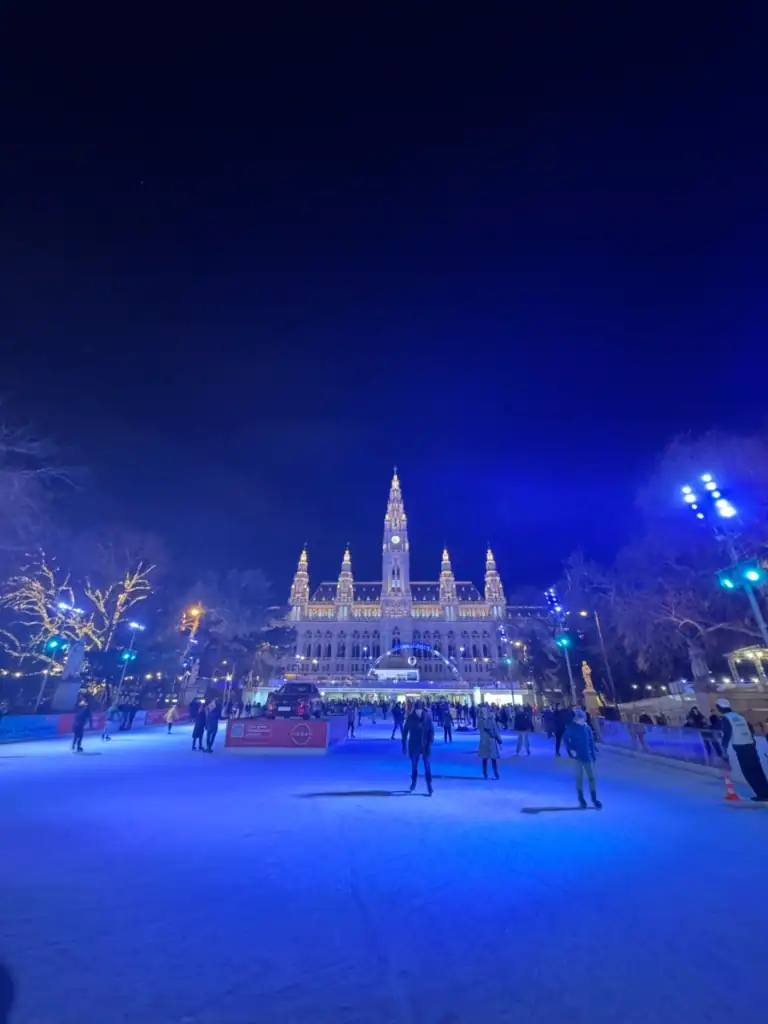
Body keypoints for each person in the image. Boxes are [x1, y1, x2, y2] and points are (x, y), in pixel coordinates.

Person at [715, 698, 768, 801]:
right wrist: (752, 741)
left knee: (749, 772)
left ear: (719, 708)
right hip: (750, 745)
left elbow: (727, 735)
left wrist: (723, 750)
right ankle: (766, 792)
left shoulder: (726, 718)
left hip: (741, 747)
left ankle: (761, 795)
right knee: (757, 770)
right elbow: (750, 729)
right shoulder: (739, 717)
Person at [564, 708, 602, 809]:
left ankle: (594, 799)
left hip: (588, 756)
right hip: (577, 758)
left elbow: (591, 742)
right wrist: (571, 749)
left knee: (592, 778)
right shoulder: (571, 727)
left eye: (583, 719)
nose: (582, 721)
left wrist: (593, 755)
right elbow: (566, 739)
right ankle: (581, 798)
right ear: (576, 719)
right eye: (580, 719)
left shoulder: (587, 728)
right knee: (579, 778)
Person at [402, 700, 434, 795]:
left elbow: (431, 732)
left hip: (425, 746)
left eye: (419, 710)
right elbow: (405, 731)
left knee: (427, 767)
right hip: (414, 745)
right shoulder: (411, 718)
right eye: (416, 710)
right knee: (414, 766)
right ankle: (413, 782)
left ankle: (429, 785)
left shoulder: (427, 718)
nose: (418, 712)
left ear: (422, 709)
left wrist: (429, 744)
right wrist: (403, 744)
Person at [477, 704, 502, 779]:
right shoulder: (480, 719)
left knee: (493, 758)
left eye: (485, 709)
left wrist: (499, 740)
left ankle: (495, 773)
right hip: (485, 741)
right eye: (482, 710)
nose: (484, 711)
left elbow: (495, 729)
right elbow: (480, 728)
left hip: (491, 740)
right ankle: (485, 773)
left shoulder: (491, 718)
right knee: (485, 758)